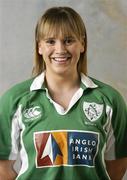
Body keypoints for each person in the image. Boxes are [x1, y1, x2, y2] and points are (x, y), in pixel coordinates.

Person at [0, 6, 127, 180]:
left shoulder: (109, 100)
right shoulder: (14, 100)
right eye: (51, 41)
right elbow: (2, 168)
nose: (60, 50)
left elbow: (117, 166)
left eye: (68, 40)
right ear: (39, 46)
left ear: (82, 44)